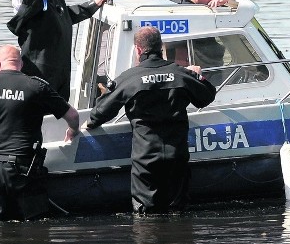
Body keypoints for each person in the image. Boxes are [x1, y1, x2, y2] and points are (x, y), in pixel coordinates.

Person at [82, 26, 217, 214]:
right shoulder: (181, 74)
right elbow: (207, 97)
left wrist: (89, 123)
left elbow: (101, 112)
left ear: (138, 50)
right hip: (176, 156)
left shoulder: (129, 79)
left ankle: (147, 242)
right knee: (177, 212)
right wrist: (197, 74)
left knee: (145, 215)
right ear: (161, 47)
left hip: (145, 159)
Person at [0, 45, 80, 221]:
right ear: (21, 64)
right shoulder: (36, 86)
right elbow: (73, 116)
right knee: (35, 225)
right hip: (24, 169)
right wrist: (72, 131)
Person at [7, 0, 107, 101]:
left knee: (61, 112)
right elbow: (36, 1)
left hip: (61, 66)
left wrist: (91, 5)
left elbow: (64, 16)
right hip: (40, 68)